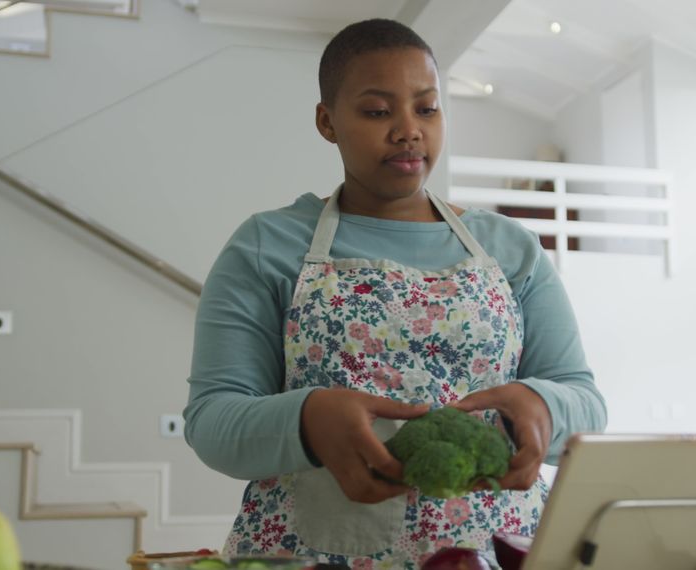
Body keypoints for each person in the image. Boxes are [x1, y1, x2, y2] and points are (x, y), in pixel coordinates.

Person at [183, 18, 607, 569]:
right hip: (309, 553)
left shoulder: (510, 247)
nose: (408, 130)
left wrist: (544, 408)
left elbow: (585, 401)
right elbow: (213, 422)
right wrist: (307, 419)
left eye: (426, 109)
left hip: (500, 551)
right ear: (327, 121)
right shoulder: (267, 245)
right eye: (378, 111)